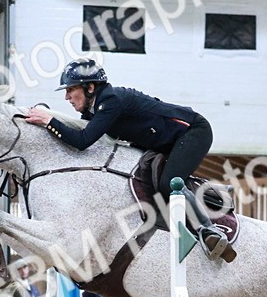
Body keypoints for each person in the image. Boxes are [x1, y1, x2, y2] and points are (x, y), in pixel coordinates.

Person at [24, 59, 233, 262]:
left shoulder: (111, 100)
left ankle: (208, 230)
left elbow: (82, 141)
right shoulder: (93, 110)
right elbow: (80, 137)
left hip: (193, 132)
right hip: (163, 142)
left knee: (168, 184)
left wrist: (49, 120)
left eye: (70, 90)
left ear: (89, 87)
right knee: (148, 180)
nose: (67, 97)